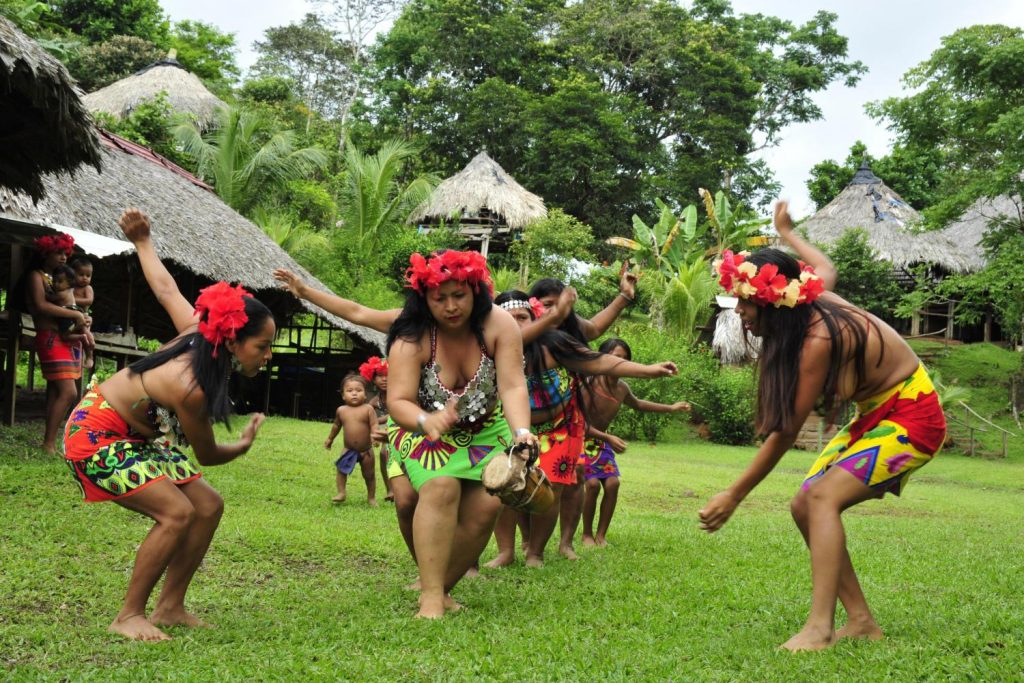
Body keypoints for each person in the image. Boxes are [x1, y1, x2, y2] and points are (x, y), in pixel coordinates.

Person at [698, 201, 947, 652]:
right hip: (875, 415)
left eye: (749, 305)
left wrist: (734, 495)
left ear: (777, 303)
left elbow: (786, 432)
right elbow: (824, 267)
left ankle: (819, 628)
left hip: (914, 415)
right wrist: (787, 234)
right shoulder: (812, 299)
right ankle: (862, 620)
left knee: (822, 498)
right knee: (802, 505)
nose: (742, 314)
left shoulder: (817, 339)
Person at [63, 208, 273, 641]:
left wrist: (144, 241)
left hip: (136, 438)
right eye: (263, 346)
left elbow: (164, 288)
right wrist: (245, 444)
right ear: (233, 340)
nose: (267, 356)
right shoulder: (192, 385)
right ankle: (128, 615)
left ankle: (170, 607)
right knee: (177, 513)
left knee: (209, 506)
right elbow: (209, 455)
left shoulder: (202, 334)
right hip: (94, 434)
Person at [385, 250, 537, 618]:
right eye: (440, 299)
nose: (451, 306)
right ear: (425, 299)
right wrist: (426, 422)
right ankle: (432, 599)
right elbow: (398, 401)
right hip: (421, 427)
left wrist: (522, 432)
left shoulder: (500, 325)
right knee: (441, 486)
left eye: (460, 296)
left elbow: (513, 386)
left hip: (486, 429)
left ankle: (441, 588)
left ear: (475, 292)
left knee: (488, 503)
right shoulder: (411, 337)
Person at [486, 292, 678, 568]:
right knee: (505, 487)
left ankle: (536, 553)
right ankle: (506, 552)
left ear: (534, 318)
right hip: (510, 427)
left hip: (559, 428)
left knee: (552, 489)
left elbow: (601, 361)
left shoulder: (554, 345)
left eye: (523, 318)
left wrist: (648, 370)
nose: (517, 325)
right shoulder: (488, 349)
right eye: (510, 319)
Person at [529, 266, 638, 558]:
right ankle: (525, 545)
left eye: (558, 303)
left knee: (574, 479)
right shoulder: (521, 334)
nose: (554, 310)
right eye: (547, 305)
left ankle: (565, 543)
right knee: (522, 483)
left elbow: (596, 331)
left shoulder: (569, 334)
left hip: (567, 423)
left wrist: (624, 297)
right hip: (526, 424)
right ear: (534, 305)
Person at [580, 338, 691, 547]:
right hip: (581, 441)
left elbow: (639, 404)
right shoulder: (590, 383)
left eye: (624, 358)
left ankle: (601, 535)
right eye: (615, 356)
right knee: (592, 485)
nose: (619, 361)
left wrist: (671, 408)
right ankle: (586, 534)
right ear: (602, 357)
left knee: (613, 484)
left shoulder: (622, 388)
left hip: (601, 443)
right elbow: (579, 423)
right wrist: (608, 438)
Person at [19, 232, 89, 453]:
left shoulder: (58, 279)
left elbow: (70, 303)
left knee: (55, 391)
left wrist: (80, 315)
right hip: (50, 338)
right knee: (69, 392)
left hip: (63, 338)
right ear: (46, 253)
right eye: (58, 252)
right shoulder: (36, 276)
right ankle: (49, 443)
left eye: (65, 253)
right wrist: (76, 316)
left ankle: (48, 442)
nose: (63, 257)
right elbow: (40, 306)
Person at [324, 373, 379, 506]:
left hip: (366, 451)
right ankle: (341, 492)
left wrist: (375, 437)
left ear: (365, 394)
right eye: (350, 391)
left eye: (358, 390)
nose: (354, 393)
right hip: (348, 449)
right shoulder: (341, 410)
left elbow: (374, 424)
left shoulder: (368, 409)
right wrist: (330, 439)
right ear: (343, 395)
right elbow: (336, 426)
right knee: (341, 471)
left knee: (369, 475)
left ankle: (371, 497)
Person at [362, 356, 394, 502]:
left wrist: (378, 420)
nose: (384, 379)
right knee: (383, 454)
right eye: (380, 376)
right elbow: (366, 415)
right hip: (387, 431)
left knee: (386, 452)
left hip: (403, 428)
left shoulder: (397, 395)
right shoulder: (375, 401)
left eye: (388, 375)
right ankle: (390, 490)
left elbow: (395, 414)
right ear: (373, 379)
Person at [47, 265, 95, 359]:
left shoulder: (85, 288)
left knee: (64, 335)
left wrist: (46, 291)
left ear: (69, 282)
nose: (56, 284)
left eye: (88, 275)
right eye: (54, 281)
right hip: (77, 311)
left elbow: (89, 301)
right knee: (84, 329)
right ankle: (90, 349)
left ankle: (86, 344)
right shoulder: (71, 289)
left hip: (72, 312)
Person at [70, 257, 97, 369]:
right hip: (71, 316)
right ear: (73, 274)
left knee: (85, 335)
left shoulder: (88, 288)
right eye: (81, 274)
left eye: (88, 275)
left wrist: (71, 300)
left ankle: (90, 356)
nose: (85, 278)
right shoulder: (70, 287)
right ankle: (77, 358)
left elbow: (89, 301)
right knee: (74, 338)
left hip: (83, 316)